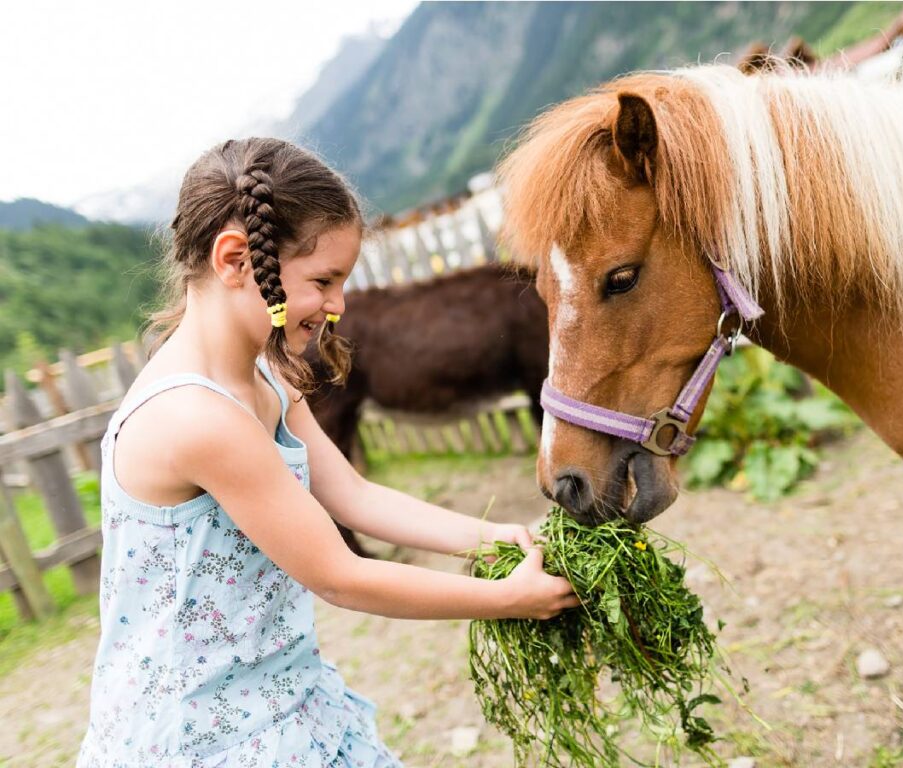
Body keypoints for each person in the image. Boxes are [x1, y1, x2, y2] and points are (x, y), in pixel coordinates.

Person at [77, 137, 579, 767]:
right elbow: (339, 577)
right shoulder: (198, 418)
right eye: (324, 281)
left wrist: (498, 538)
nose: (340, 305)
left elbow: (355, 495)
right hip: (206, 735)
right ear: (236, 261)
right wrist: (511, 599)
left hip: (280, 695)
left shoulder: (265, 378)